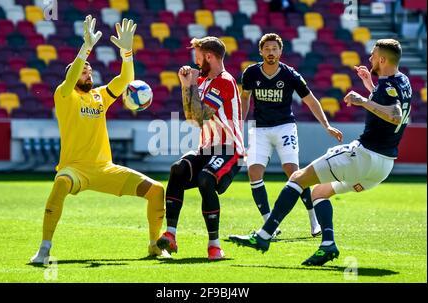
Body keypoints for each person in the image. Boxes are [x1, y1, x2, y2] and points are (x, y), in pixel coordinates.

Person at [229, 39, 412, 266]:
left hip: (364, 156)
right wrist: (370, 86)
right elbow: (390, 101)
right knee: (319, 192)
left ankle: (264, 236)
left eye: (374, 55)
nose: (370, 59)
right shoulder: (402, 81)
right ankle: (327, 245)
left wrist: (363, 100)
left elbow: (393, 114)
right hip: (383, 166)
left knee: (297, 178)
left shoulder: (386, 87)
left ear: (383, 59)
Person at [30, 16, 168, 263]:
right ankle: (44, 249)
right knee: (60, 183)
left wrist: (127, 52)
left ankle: (154, 245)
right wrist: (85, 48)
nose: (88, 72)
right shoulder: (64, 95)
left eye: (89, 70)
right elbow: (71, 78)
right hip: (75, 169)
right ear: (72, 76)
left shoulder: (99, 96)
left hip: (105, 169)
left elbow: (125, 81)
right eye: (83, 71)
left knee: (156, 190)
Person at [241, 33, 343, 238]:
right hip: (260, 129)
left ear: (281, 51)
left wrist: (327, 125)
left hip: (285, 127)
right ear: (261, 51)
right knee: (254, 173)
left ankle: (313, 221)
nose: (271, 52)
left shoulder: (290, 75)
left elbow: (311, 100)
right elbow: (244, 99)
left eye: (274, 49)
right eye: (267, 49)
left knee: (293, 172)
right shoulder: (251, 73)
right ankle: (269, 224)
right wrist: (239, 126)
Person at [156, 36, 245, 260]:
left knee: (206, 179)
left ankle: (214, 245)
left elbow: (200, 115)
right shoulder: (204, 81)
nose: (195, 63)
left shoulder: (224, 81)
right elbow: (192, 119)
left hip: (228, 149)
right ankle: (171, 234)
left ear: (209, 56)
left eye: (198, 58)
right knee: (178, 169)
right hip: (206, 148)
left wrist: (190, 85)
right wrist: (187, 86)